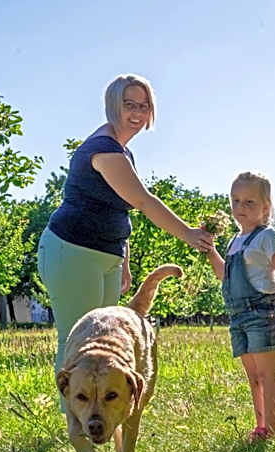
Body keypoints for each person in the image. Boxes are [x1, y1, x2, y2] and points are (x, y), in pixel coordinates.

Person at [37, 74, 214, 378]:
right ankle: (74, 421)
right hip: (73, 251)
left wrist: (125, 262)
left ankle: (101, 419)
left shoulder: (123, 151)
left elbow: (121, 208)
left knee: (100, 338)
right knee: (76, 339)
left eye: (143, 106)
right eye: (129, 104)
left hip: (106, 256)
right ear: (112, 106)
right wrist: (188, 233)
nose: (137, 113)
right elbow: (143, 202)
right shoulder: (105, 148)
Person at [204, 172, 275, 442]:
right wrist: (211, 251)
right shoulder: (235, 241)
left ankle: (273, 429)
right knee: (254, 376)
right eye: (235, 201)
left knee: (268, 375)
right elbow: (226, 276)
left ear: (265, 207)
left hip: (263, 312)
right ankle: (261, 425)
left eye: (249, 203)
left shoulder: (268, 237)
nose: (240, 208)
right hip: (239, 316)